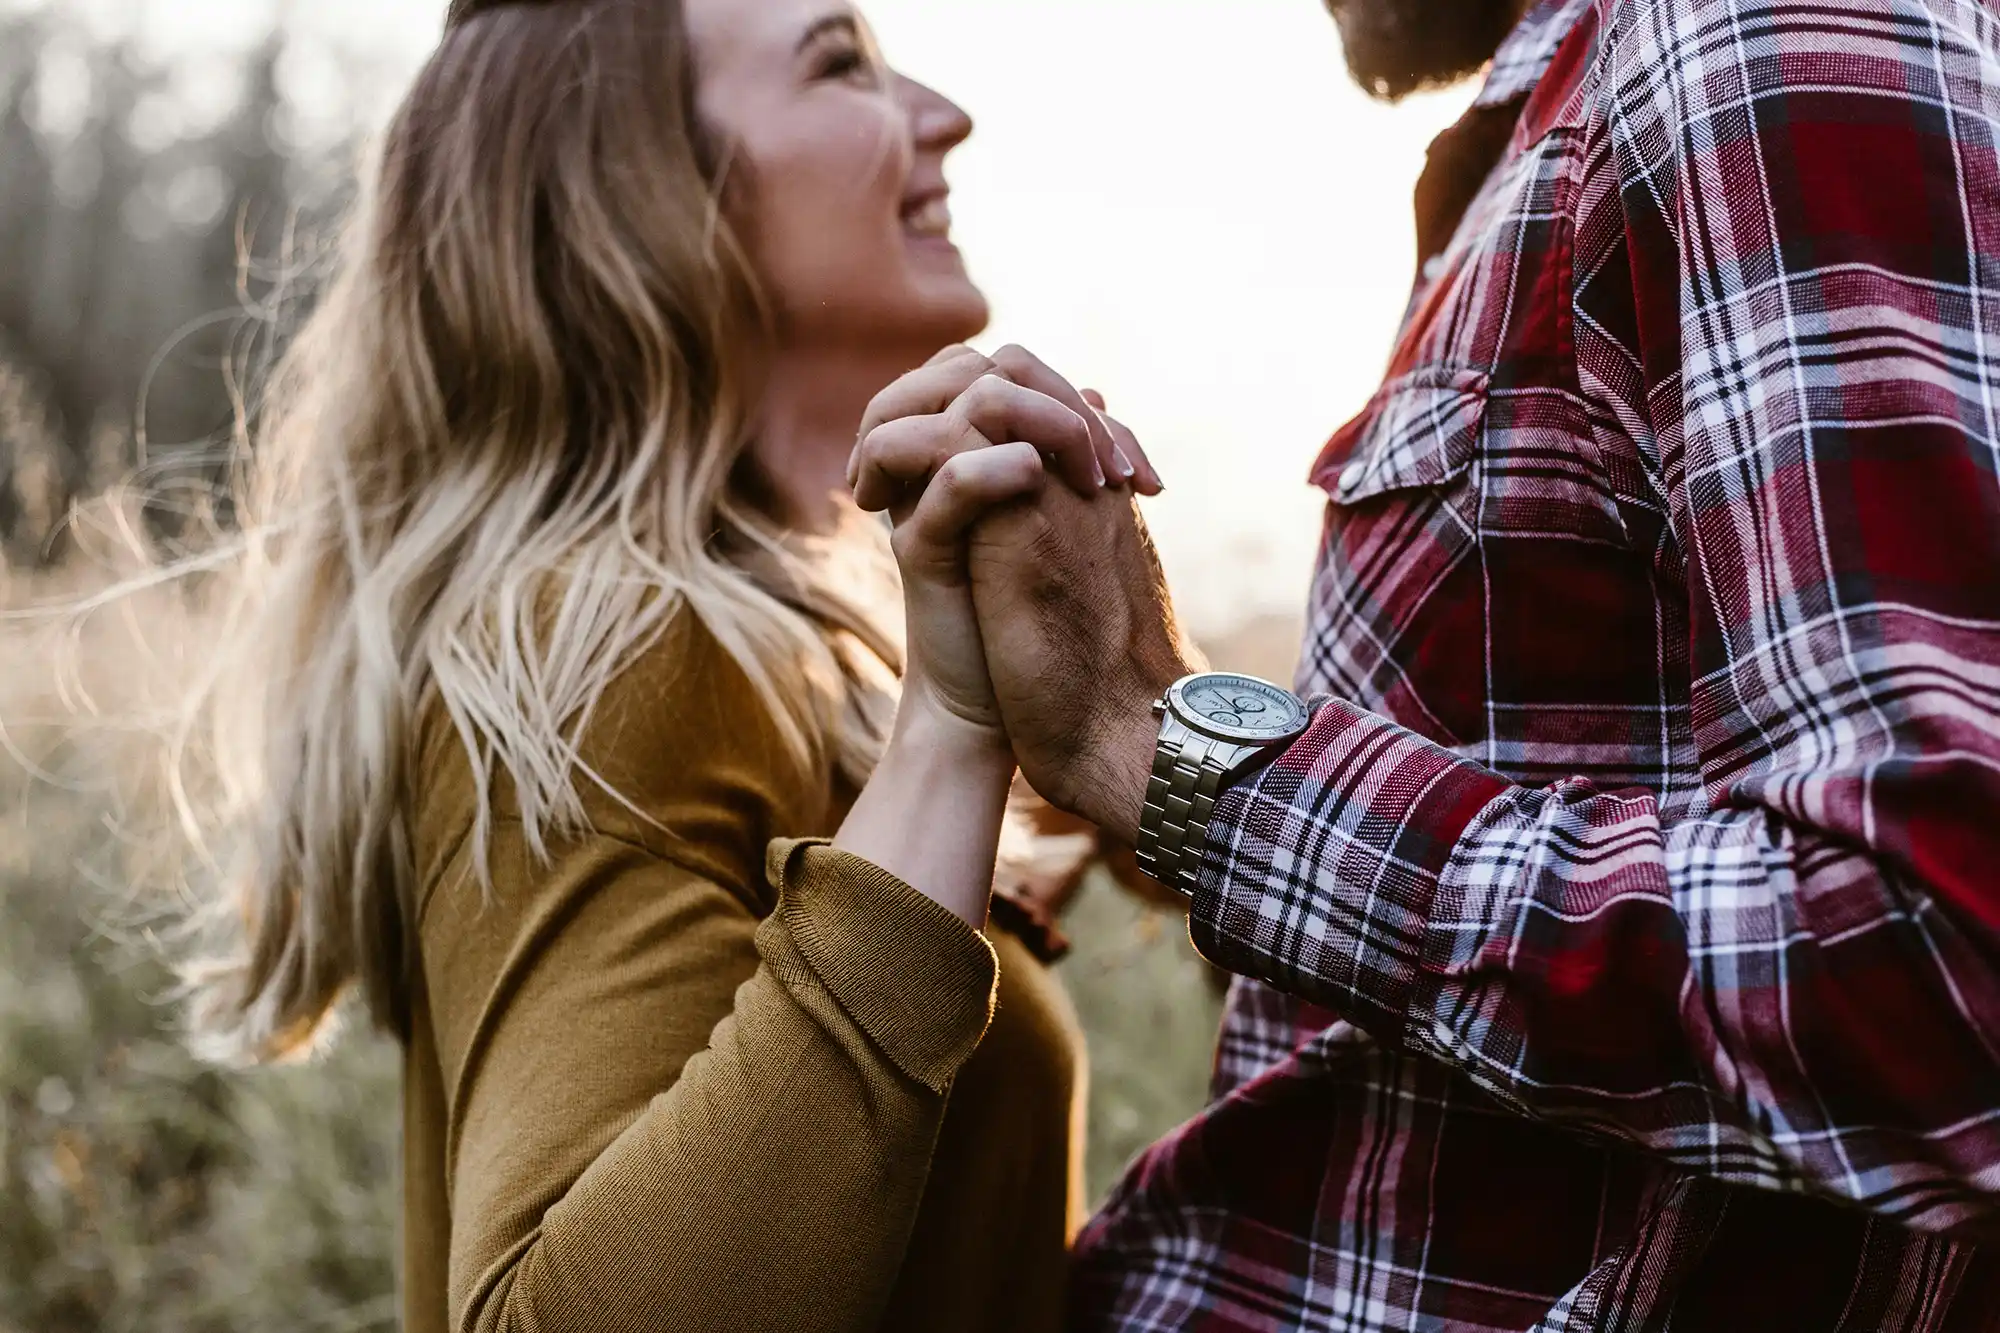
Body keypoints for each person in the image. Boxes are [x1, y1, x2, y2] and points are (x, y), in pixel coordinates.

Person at [853, 0, 2000, 1324]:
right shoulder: (1578, 120)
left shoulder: (1750, 38)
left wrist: (1161, 748)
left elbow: (1929, 963)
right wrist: (1163, 746)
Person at [137, 1, 1161, 1330]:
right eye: (839, 60)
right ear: (641, 188)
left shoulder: (777, 649)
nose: (939, 114)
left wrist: (1126, 699)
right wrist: (952, 739)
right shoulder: (610, 646)